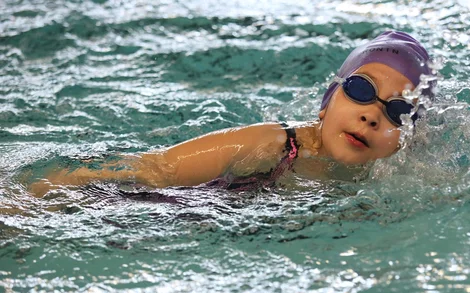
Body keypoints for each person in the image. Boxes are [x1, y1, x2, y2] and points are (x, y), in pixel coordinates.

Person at [31, 30, 435, 195]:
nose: (372, 116)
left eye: (399, 111)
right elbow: (157, 170)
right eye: (361, 89)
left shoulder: (396, 181)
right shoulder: (273, 144)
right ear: (329, 99)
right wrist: (36, 195)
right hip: (150, 213)